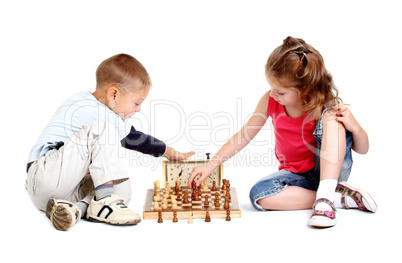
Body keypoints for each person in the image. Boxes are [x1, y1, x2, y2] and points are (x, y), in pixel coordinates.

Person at [188, 37, 377, 228]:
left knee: (331, 117)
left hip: (330, 172)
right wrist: (211, 164)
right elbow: (244, 135)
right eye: (271, 88)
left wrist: (355, 127)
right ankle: (337, 197)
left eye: (280, 92)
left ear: (304, 88)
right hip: (297, 178)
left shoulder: (325, 104)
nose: (273, 95)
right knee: (259, 194)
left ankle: (326, 197)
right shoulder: (270, 101)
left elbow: (363, 149)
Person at [26, 53, 194, 231]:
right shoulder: (93, 109)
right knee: (103, 129)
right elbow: (134, 138)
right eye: (136, 103)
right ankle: (104, 201)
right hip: (44, 174)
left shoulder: (91, 104)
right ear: (113, 94)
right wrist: (169, 152)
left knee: (122, 190)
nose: (139, 109)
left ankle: (75, 209)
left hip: (63, 190)